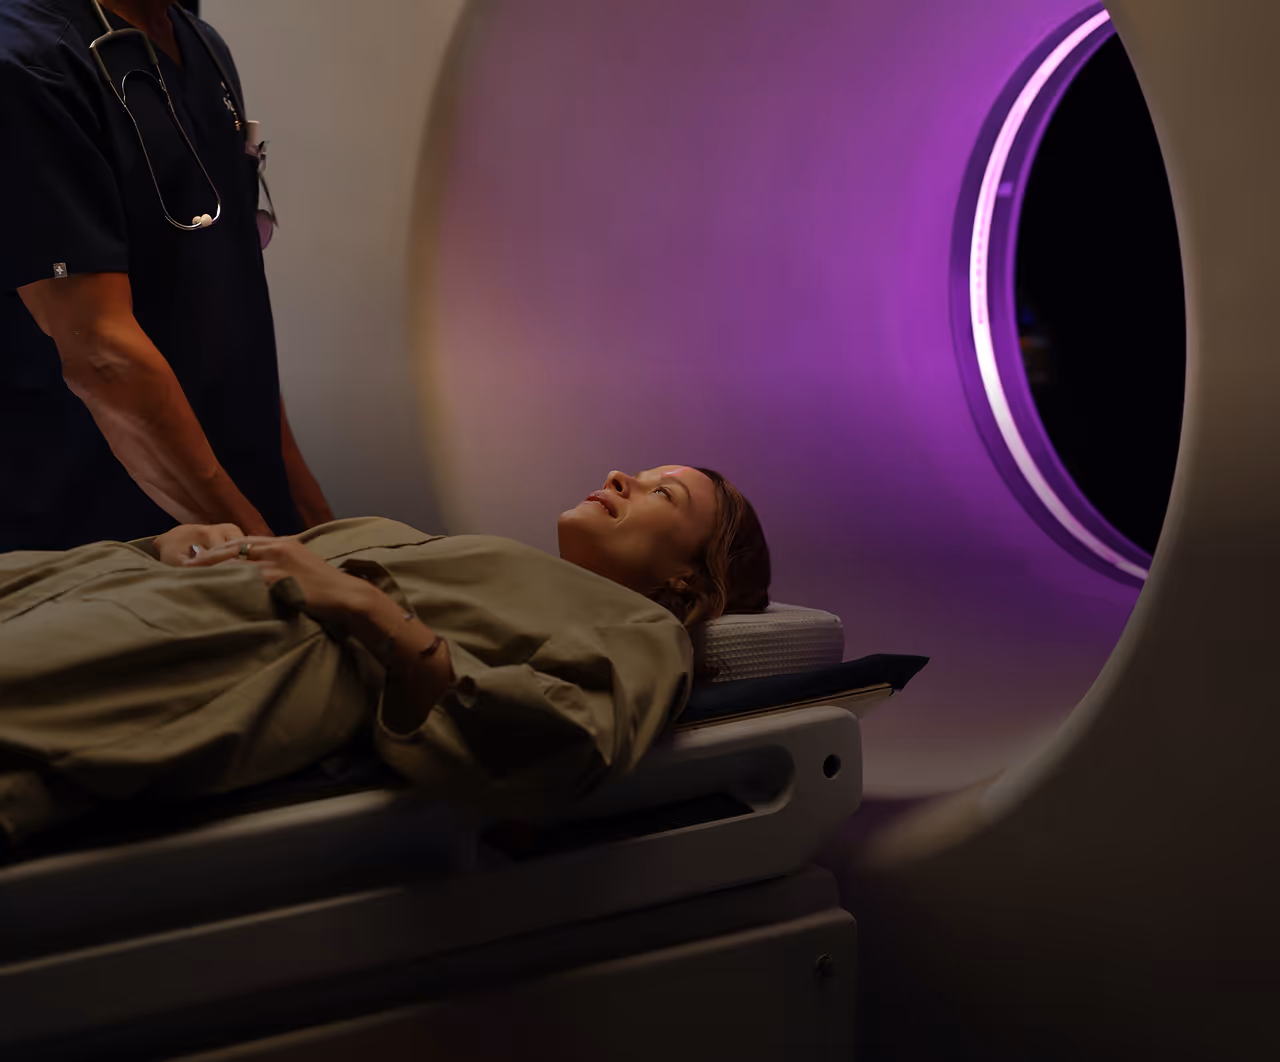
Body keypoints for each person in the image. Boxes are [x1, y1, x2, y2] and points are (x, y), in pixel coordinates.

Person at [0, 466, 771, 854]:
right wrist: (181, 541)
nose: (619, 477)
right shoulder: (462, 553)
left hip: (210, 648)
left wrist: (371, 612)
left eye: (663, 494)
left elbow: (564, 743)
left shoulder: (643, 631)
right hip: (117, 583)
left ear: (688, 578)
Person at [0, 0, 331, 553]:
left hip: (241, 517)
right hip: (101, 539)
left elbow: (236, 321)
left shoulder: (199, 43)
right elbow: (100, 356)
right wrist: (268, 552)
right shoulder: (26, 62)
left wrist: (312, 523)